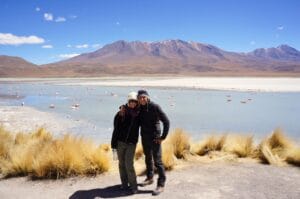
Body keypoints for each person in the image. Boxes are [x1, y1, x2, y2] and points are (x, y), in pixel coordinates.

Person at [137, 90, 170, 196]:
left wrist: (162, 137)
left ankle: (161, 184)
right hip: (145, 138)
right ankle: (150, 178)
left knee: (158, 161)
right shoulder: (140, 108)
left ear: (147, 98)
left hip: (155, 138)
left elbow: (166, 121)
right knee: (147, 158)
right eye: (140, 97)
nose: (142, 99)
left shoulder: (154, 107)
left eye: (144, 97)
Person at [111, 91, 140, 194]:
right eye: (131, 101)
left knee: (129, 164)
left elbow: (146, 122)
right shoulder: (122, 113)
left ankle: (134, 186)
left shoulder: (138, 113)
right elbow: (116, 127)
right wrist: (119, 115)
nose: (133, 103)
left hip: (131, 143)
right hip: (120, 143)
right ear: (128, 101)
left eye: (134, 102)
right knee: (121, 164)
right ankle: (124, 184)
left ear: (137, 103)